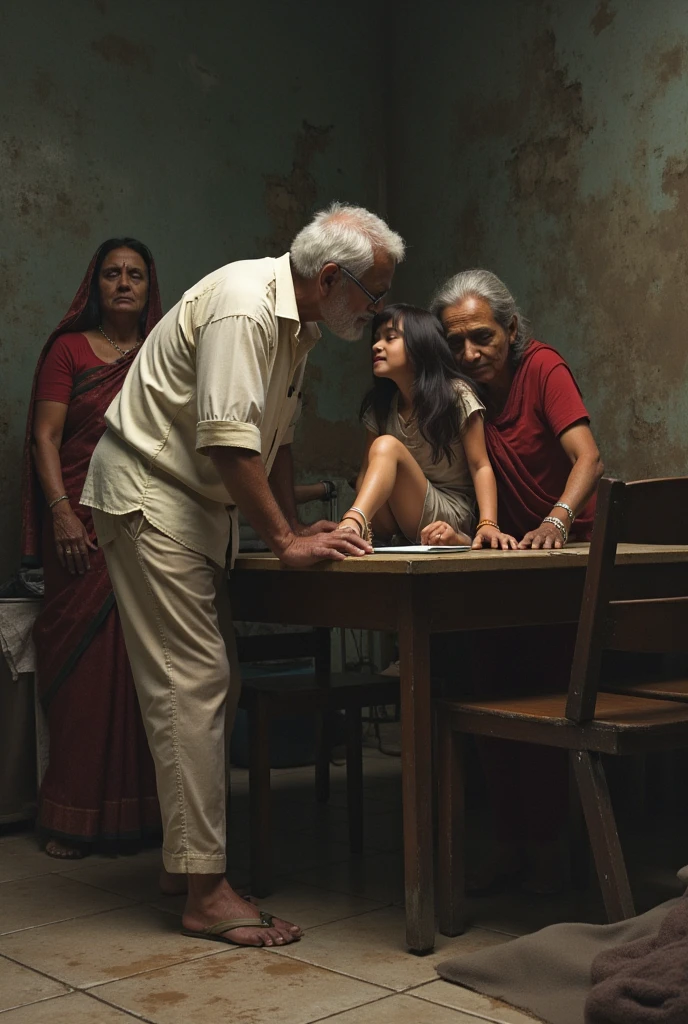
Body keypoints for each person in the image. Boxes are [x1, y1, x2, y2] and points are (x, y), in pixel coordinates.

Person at [80, 203, 405, 949]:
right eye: (374, 293)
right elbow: (229, 444)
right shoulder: (244, 308)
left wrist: (294, 521)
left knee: (206, 679)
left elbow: (275, 440)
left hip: (191, 507)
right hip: (152, 496)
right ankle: (204, 892)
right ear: (331, 278)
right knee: (192, 681)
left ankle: (186, 866)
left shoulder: (301, 326)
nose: (378, 310)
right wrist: (284, 539)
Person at [430, 269, 604, 893]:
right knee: (486, 690)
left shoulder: (543, 369)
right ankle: (511, 843)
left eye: (482, 337)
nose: (470, 353)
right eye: (456, 341)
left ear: (511, 330)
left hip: (565, 560)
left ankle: (552, 845)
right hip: (505, 563)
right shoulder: (460, 395)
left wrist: (558, 518)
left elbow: (588, 456)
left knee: (549, 703)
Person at [21, 237, 163, 861]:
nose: (123, 283)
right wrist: (60, 515)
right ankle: (73, 816)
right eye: (112, 273)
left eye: (135, 274)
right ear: (95, 285)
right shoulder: (69, 350)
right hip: (77, 527)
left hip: (145, 524)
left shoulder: (162, 353)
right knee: (83, 669)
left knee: (144, 672)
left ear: (148, 285)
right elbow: (45, 439)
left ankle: (147, 813)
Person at [338, 304, 516, 550]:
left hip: (449, 512)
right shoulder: (381, 408)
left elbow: (480, 465)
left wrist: (488, 524)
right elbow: (365, 478)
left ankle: (352, 522)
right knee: (377, 461)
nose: (376, 346)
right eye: (376, 339)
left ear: (419, 345)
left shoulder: (455, 395)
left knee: (386, 446)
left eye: (390, 338)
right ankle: (357, 524)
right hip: (396, 518)